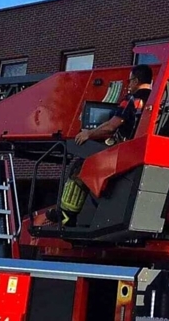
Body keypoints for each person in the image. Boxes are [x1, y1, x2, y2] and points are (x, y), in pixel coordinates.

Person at [50, 64, 154, 225]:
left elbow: (111, 126)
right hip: (144, 153)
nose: (129, 84)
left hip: (125, 154)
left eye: (130, 80)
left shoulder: (131, 100)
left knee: (80, 167)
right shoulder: (157, 99)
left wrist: (88, 134)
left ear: (136, 81)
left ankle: (65, 216)